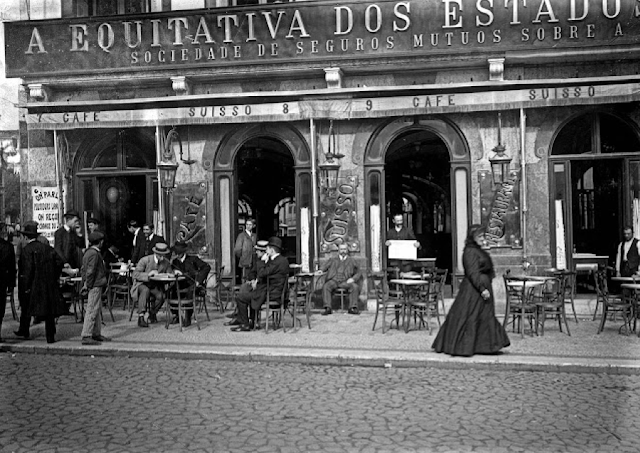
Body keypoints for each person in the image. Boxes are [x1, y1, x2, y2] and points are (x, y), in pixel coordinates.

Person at [432, 224, 510, 357]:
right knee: (470, 316)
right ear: (472, 237)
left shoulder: (477, 250)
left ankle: (486, 346)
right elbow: (472, 272)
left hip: (480, 288)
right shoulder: (469, 251)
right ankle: (464, 346)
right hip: (473, 290)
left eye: (483, 236)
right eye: (479, 236)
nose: (482, 238)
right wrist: (482, 289)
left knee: (484, 316)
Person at [15, 221, 66, 343]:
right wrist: (54, 275)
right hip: (48, 284)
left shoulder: (26, 250)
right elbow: (59, 262)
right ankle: (50, 336)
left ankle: (24, 330)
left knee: (26, 308)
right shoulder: (47, 248)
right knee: (49, 312)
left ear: (26, 237)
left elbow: (27, 270)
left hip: (33, 285)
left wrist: (25, 286)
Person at [230, 236, 289, 332]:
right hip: (275, 291)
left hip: (272, 293)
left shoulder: (275, 262)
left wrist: (263, 261)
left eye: (267, 249)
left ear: (272, 250)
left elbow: (262, 273)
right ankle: (252, 322)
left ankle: (245, 324)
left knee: (241, 297)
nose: (266, 251)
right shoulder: (283, 260)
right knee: (249, 291)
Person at [225, 240, 268, 327]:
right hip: (255, 285)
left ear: (263, 252)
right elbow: (252, 272)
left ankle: (242, 318)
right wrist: (252, 279)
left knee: (241, 295)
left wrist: (256, 280)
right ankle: (240, 316)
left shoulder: (268, 261)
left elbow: (264, 276)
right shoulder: (258, 260)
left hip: (262, 289)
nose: (256, 252)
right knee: (243, 288)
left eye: (258, 251)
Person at [170, 241, 211, 327]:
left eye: (178, 253)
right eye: (176, 253)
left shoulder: (193, 259)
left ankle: (188, 317)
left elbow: (207, 267)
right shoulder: (174, 262)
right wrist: (174, 272)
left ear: (183, 252)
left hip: (194, 285)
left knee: (190, 292)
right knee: (170, 291)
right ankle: (176, 315)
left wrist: (199, 281)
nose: (177, 255)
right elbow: (171, 272)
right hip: (180, 284)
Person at [131, 242, 173, 328]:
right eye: (160, 255)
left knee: (161, 296)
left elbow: (170, 273)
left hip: (155, 285)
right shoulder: (145, 260)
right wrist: (148, 275)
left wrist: (170, 274)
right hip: (142, 284)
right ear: (156, 253)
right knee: (145, 290)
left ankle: (152, 313)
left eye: (164, 255)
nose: (162, 257)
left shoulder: (166, 262)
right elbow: (135, 274)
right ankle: (141, 317)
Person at [80, 232, 110, 346]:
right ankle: (87, 334)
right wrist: (88, 285)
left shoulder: (88, 252)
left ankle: (96, 333)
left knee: (96, 309)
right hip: (95, 284)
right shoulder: (94, 254)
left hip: (94, 284)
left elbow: (85, 269)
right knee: (92, 309)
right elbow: (90, 271)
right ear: (100, 242)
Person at [318, 243, 361, 316]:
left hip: (346, 281)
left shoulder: (352, 260)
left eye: (344, 249)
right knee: (326, 286)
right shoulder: (332, 259)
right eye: (341, 249)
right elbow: (324, 267)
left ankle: (352, 308)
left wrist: (353, 279)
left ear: (347, 250)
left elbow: (358, 272)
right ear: (338, 250)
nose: (343, 251)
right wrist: (321, 270)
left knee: (355, 287)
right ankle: (327, 308)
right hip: (334, 280)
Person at [0, 223, 16, 341]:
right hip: (2, 281)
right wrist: (11, 285)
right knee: (0, 309)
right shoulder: (8, 247)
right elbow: (11, 268)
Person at [234, 218, 257, 283]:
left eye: (250, 225)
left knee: (252, 277)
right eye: (247, 224)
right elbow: (237, 249)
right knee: (244, 277)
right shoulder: (241, 235)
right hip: (245, 260)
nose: (248, 226)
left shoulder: (254, 236)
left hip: (253, 260)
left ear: (253, 226)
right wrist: (242, 257)